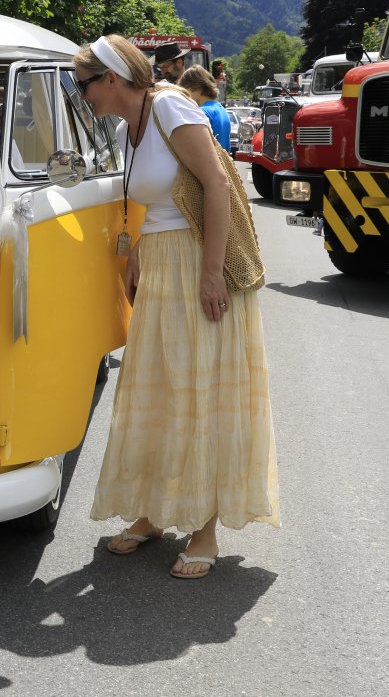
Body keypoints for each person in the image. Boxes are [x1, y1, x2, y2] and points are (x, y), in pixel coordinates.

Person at [77, 33, 277, 579]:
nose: (83, 94)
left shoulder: (169, 106)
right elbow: (161, 200)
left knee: (200, 391)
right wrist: (140, 250)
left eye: (85, 83)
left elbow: (216, 186)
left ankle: (205, 528)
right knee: (161, 388)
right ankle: (153, 511)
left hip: (195, 262)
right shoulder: (130, 125)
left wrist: (211, 273)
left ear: (111, 78)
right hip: (163, 264)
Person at [179, 65, 232, 152]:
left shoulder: (202, 112)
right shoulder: (221, 109)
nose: (185, 96)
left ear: (196, 87)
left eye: (185, 90)